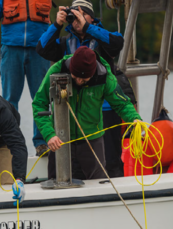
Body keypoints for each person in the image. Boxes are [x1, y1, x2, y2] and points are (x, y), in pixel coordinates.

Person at [36, 0, 134, 177]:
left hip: (105, 106)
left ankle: (112, 194)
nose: (76, 20)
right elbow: (42, 49)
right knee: (70, 164)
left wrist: (88, 27)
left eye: (81, 13)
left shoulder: (101, 35)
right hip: (71, 110)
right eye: (73, 15)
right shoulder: (65, 42)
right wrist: (57, 24)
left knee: (111, 160)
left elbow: (118, 43)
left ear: (91, 16)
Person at [32, 46, 141, 180]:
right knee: (56, 184)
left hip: (92, 141)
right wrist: (49, 134)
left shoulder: (104, 77)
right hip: (60, 140)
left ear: (93, 72)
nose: (78, 81)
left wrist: (135, 119)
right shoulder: (57, 70)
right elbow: (39, 103)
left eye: (84, 80)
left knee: (98, 184)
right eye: (75, 77)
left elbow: (122, 103)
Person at [0, 0, 52, 156]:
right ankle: (11, 141)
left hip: (40, 48)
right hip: (11, 47)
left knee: (41, 98)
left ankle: (41, 143)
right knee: (9, 100)